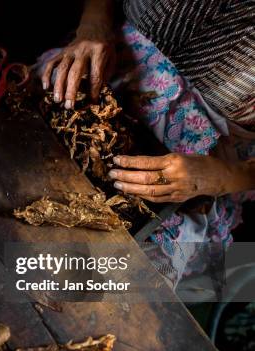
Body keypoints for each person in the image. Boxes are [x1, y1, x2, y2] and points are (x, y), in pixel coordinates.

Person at [37, 0, 255, 284]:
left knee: (110, 284)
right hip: (109, 65)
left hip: (200, 161)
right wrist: (94, 24)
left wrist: (224, 177)